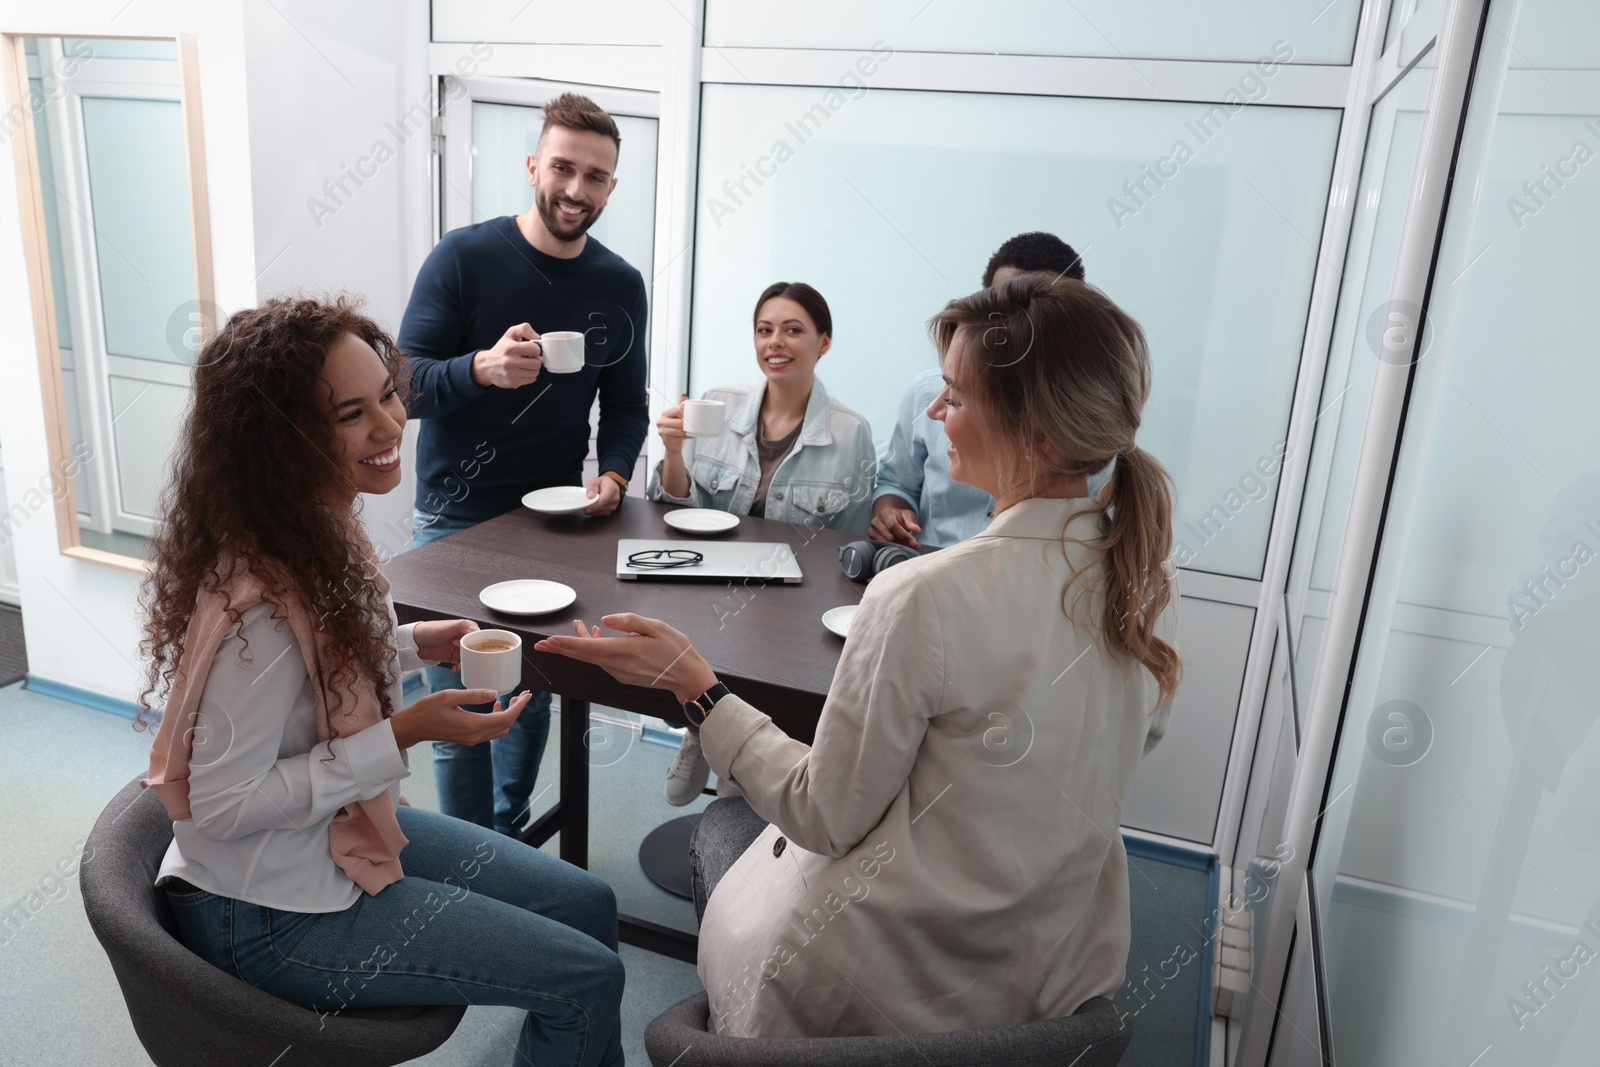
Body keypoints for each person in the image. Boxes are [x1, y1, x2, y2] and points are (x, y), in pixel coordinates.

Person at [537, 273, 1182, 1039]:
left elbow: (823, 814)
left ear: (1035, 432)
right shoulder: (1140, 584)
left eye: (957, 395)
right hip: (1049, 979)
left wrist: (695, 685)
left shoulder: (923, 596)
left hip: (883, 986)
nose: (937, 411)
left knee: (722, 828)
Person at [138, 298, 624, 1067]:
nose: (392, 427)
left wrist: (405, 644)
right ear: (282, 439)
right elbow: (221, 804)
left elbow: (314, 668)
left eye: (390, 395)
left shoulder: (317, 524)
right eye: (350, 414)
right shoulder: (256, 604)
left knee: (590, 903)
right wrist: (403, 732)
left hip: (319, 839)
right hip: (265, 908)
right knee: (587, 977)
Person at [400, 92, 649, 836]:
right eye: (564, 168)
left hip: (553, 526)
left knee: (535, 693)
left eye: (595, 177)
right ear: (534, 165)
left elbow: (627, 406)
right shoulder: (463, 257)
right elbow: (402, 384)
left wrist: (614, 473)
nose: (577, 189)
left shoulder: (620, 283)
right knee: (461, 697)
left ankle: (505, 834)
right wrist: (480, 369)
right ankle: (471, 855)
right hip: (456, 516)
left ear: (611, 187)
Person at [647, 281, 877, 805]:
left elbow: (852, 545)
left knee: (771, 659)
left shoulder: (851, 431)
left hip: (796, 599)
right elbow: (677, 513)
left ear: (823, 342)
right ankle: (702, 730)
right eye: (764, 330)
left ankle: (716, 740)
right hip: (712, 581)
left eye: (793, 330)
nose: (775, 342)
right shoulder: (719, 407)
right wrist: (673, 451)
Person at [872, 230, 1105, 549]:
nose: (1012, 328)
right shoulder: (926, 392)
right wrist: (892, 515)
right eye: (1000, 310)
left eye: (1031, 314)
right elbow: (896, 482)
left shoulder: (1090, 422)